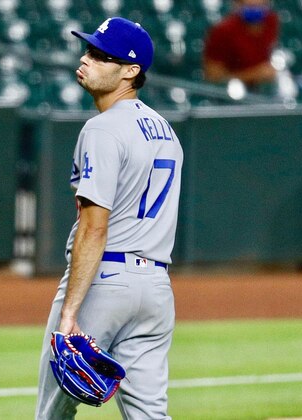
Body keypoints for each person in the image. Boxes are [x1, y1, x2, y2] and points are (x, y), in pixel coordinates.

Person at [35, 17, 183, 420]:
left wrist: (70, 314)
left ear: (131, 71)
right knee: (151, 415)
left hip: (105, 281)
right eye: (89, 50)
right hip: (155, 288)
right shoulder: (167, 130)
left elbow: (93, 226)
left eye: (101, 55)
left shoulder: (102, 129)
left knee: (53, 413)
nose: (87, 59)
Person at [202, 0, 279, 90]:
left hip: (262, 88)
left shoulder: (271, 21)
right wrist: (254, 74)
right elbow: (213, 78)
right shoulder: (223, 31)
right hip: (232, 93)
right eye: (250, 7)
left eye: (259, 6)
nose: (255, 10)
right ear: (237, 4)